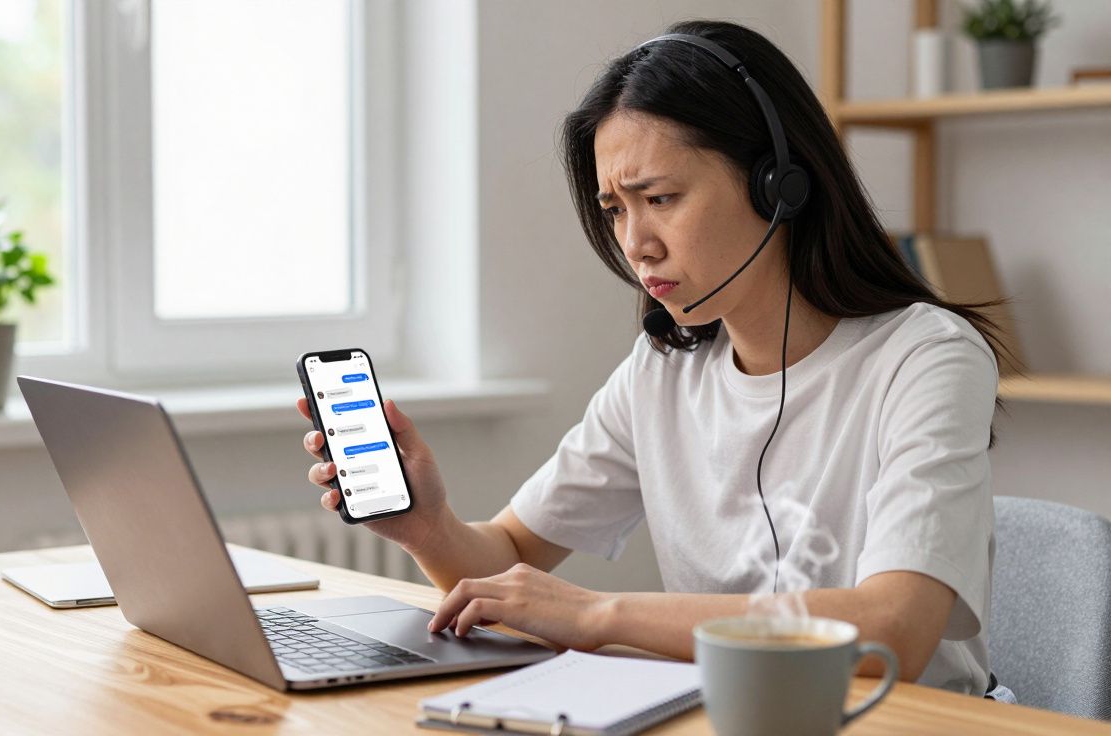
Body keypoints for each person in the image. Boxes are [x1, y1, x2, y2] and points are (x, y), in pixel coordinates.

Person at [297, 20, 1006, 696]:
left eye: (659, 198)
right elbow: (511, 555)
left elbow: (895, 629)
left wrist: (600, 616)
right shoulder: (663, 372)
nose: (636, 243)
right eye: (614, 210)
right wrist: (429, 525)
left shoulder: (926, 358)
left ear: (779, 185)